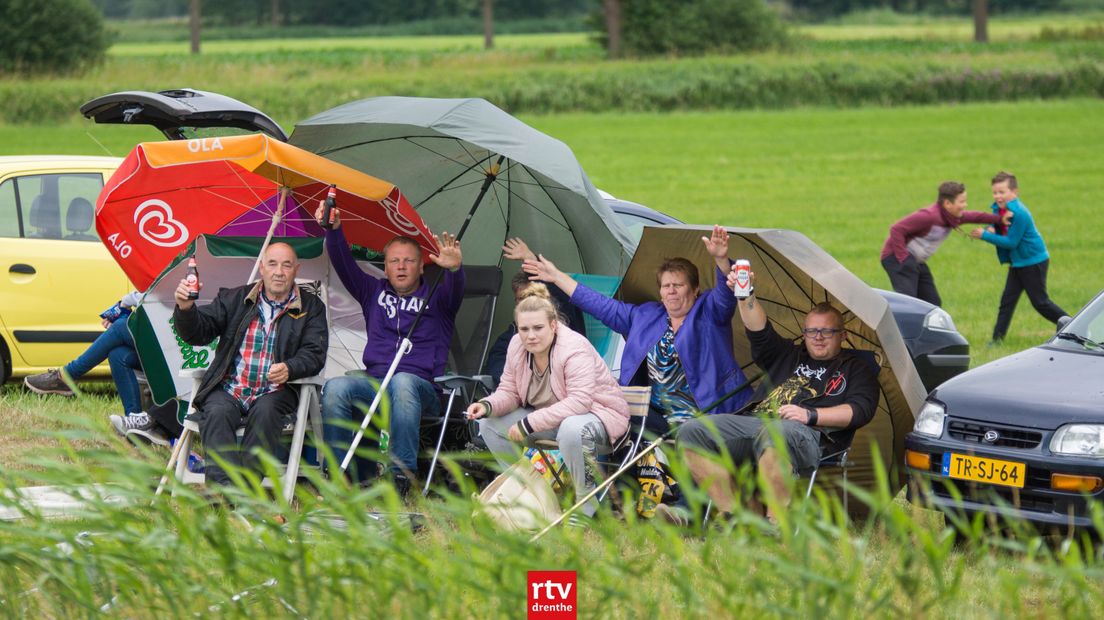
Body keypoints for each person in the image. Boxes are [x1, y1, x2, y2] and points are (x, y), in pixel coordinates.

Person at [677, 268, 879, 523]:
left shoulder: (855, 368)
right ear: (803, 333)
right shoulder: (788, 354)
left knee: (777, 433)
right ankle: (732, 514)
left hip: (807, 435)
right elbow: (758, 330)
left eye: (826, 332)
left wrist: (810, 415)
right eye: (811, 331)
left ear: (843, 335)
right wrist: (745, 293)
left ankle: (774, 521)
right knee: (692, 431)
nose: (817, 337)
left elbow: (860, 410)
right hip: (755, 422)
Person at [523, 225, 753, 434]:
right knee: (608, 415)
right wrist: (555, 276)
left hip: (703, 418)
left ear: (695, 290)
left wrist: (722, 260)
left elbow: (725, 296)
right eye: (665, 286)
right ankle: (601, 477)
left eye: (678, 285)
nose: (671, 290)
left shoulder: (709, 312)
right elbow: (600, 305)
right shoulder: (646, 316)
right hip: (655, 418)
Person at [316, 204, 464, 495]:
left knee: (403, 382)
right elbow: (343, 263)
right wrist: (333, 231)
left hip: (421, 392)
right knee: (336, 387)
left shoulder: (439, 299)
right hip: (375, 386)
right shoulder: (372, 292)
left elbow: (455, 289)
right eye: (394, 261)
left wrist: (456, 269)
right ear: (384, 266)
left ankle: (400, 478)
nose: (401, 266)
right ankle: (338, 476)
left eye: (409, 261)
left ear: (422, 266)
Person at [173, 242, 328, 488]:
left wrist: (290, 367)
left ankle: (243, 493)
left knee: (266, 413)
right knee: (216, 412)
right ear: (262, 269)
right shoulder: (234, 299)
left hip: (276, 391)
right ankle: (226, 496)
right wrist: (185, 308)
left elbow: (315, 353)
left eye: (286, 265)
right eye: (272, 264)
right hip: (230, 387)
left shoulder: (311, 307)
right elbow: (198, 334)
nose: (279, 271)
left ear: (296, 270)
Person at [466, 290, 629, 519]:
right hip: (551, 420)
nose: (531, 335)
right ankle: (528, 494)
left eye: (538, 328)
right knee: (490, 424)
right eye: (524, 329)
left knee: (572, 428)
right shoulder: (516, 346)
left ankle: (585, 508)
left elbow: (580, 402)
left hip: (598, 417)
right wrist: (487, 405)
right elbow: (509, 391)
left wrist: (527, 423)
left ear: (553, 325)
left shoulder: (574, 347)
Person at [23, 291, 166, 441]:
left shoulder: (184, 272)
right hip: (163, 341)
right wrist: (124, 306)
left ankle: (66, 376)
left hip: (176, 349)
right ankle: (135, 423)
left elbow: (158, 295)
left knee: (121, 326)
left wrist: (125, 303)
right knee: (118, 355)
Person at [970, 171, 1068, 342]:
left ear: (1015, 192)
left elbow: (1011, 242)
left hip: (1033, 262)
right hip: (1018, 263)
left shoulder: (1020, 213)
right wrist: (990, 229)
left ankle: (1074, 327)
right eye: (995, 192)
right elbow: (998, 225)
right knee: (1007, 302)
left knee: (1041, 303)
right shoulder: (1000, 209)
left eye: (1002, 192)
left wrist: (984, 235)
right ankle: (997, 340)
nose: (998, 196)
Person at [880, 181, 1009, 307]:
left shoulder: (951, 216)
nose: (965, 205)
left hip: (915, 261)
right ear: (947, 203)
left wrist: (1000, 220)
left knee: (932, 305)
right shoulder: (929, 216)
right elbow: (896, 229)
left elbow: (975, 216)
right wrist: (904, 258)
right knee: (907, 303)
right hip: (896, 258)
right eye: (962, 201)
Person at [485, 238, 587, 385]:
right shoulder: (515, 330)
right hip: (527, 394)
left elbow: (563, 294)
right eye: (521, 299)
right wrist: (518, 382)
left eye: (532, 297)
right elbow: (497, 358)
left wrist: (531, 259)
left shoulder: (565, 321)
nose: (528, 304)